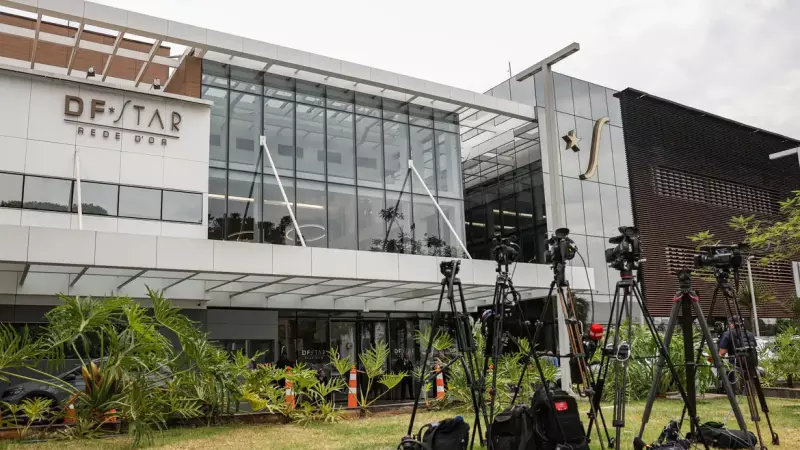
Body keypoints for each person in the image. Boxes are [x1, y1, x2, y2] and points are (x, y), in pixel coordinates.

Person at [718, 316, 757, 388]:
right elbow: (753, 347)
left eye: (729, 323)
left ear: (732, 324)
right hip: (751, 362)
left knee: (735, 383)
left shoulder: (727, 334)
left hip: (736, 362)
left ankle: (735, 393)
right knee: (749, 383)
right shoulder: (750, 334)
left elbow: (722, 352)